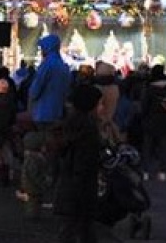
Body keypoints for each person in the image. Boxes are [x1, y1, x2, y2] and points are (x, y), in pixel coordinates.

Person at [53, 85, 103, 243]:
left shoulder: (73, 125)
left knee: (73, 228)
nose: (102, 107)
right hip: (80, 188)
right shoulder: (88, 130)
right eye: (100, 103)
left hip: (70, 187)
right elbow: (84, 163)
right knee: (78, 228)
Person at [28, 34, 71, 128]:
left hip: (43, 113)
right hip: (58, 111)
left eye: (42, 48)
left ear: (47, 47)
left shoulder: (47, 65)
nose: (41, 51)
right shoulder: (63, 65)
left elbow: (36, 88)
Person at [20, 131, 52, 219]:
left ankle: (33, 214)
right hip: (32, 185)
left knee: (34, 201)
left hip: (30, 184)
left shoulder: (31, 157)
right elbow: (34, 173)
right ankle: (32, 215)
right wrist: (43, 182)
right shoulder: (34, 159)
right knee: (33, 201)